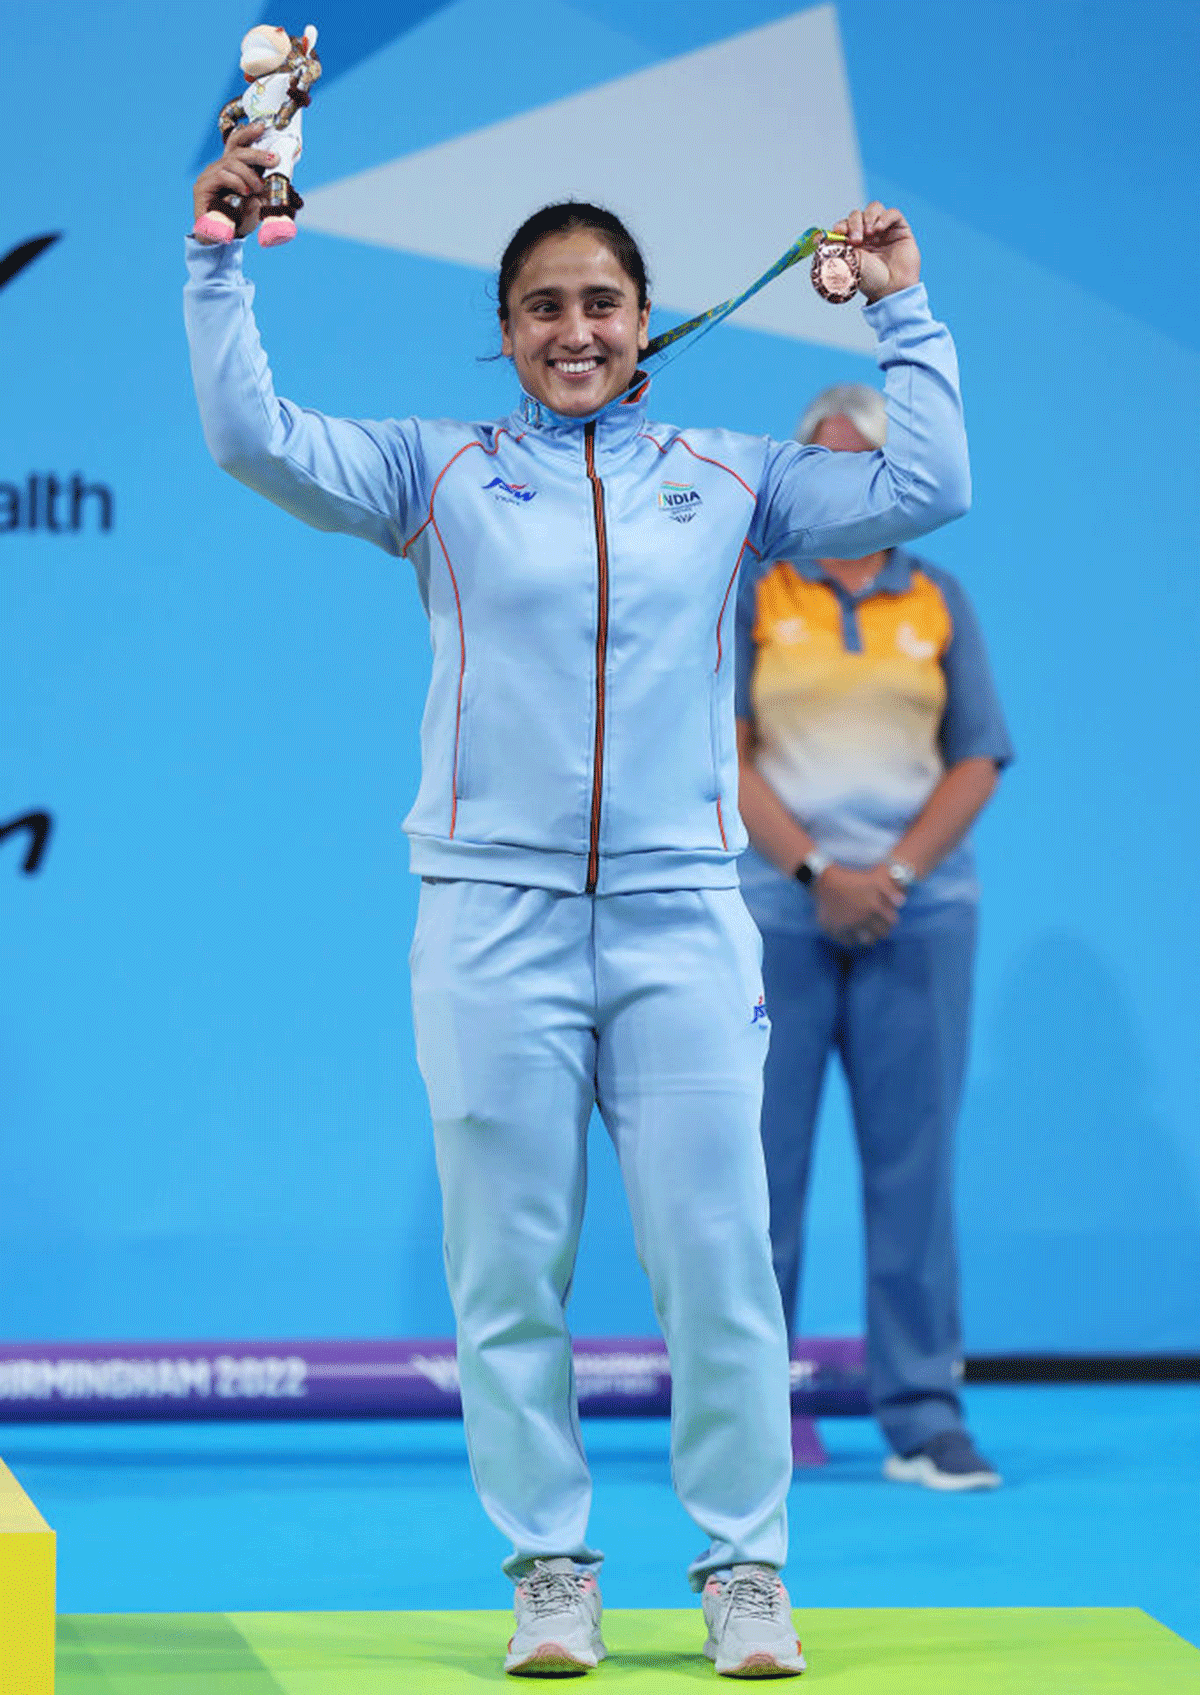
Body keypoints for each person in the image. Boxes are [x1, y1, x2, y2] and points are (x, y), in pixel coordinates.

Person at [185, 124, 970, 1677]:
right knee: (507, 1271)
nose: (575, 328)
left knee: (720, 1261)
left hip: (684, 919)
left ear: (644, 318)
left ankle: (744, 1568)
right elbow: (250, 435)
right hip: (490, 923)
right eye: (543, 305)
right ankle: (551, 1564)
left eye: (602, 299)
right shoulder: (437, 472)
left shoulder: (730, 479)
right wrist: (216, 260)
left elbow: (930, 481)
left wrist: (901, 309)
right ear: (507, 330)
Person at [735, 380, 1012, 1494]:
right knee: (755, 1177)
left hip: (917, 918)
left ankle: (923, 1418)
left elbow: (979, 753)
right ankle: (746, 1421)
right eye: (821, 457)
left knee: (914, 1171)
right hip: (776, 920)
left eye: (864, 458)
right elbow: (726, 751)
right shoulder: (754, 592)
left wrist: (886, 876)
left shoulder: (937, 596)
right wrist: (815, 871)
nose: (842, 474)